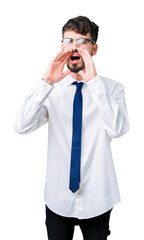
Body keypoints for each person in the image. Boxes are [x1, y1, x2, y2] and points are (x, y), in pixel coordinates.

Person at [14, 16, 130, 240]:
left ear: (94, 49)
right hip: (58, 199)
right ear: (61, 47)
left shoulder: (112, 89)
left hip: (99, 197)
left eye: (82, 41)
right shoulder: (51, 91)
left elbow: (118, 129)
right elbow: (21, 126)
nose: (74, 47)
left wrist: (94, 82)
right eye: (68, 41)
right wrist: (46, 81)